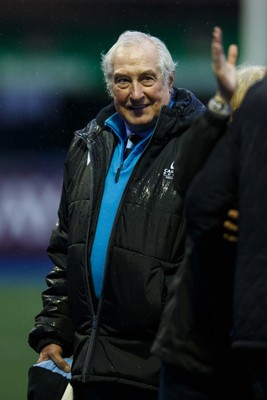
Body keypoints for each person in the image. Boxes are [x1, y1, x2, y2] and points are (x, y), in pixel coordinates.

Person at [28, 30, 206, 400]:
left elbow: (210, 263)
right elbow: (66, 253)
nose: (135, 93)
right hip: (91, 367)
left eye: (147, 78)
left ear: (170, 81)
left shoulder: (202, 147)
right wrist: (53, 332)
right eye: (123, 80)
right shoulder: (86, 146)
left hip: (163, 369)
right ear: (110, 87)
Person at [151, 27, 266, 400]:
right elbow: (191, 187)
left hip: (229, 345)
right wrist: (221, 102)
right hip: (200, 349)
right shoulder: (211, 166)